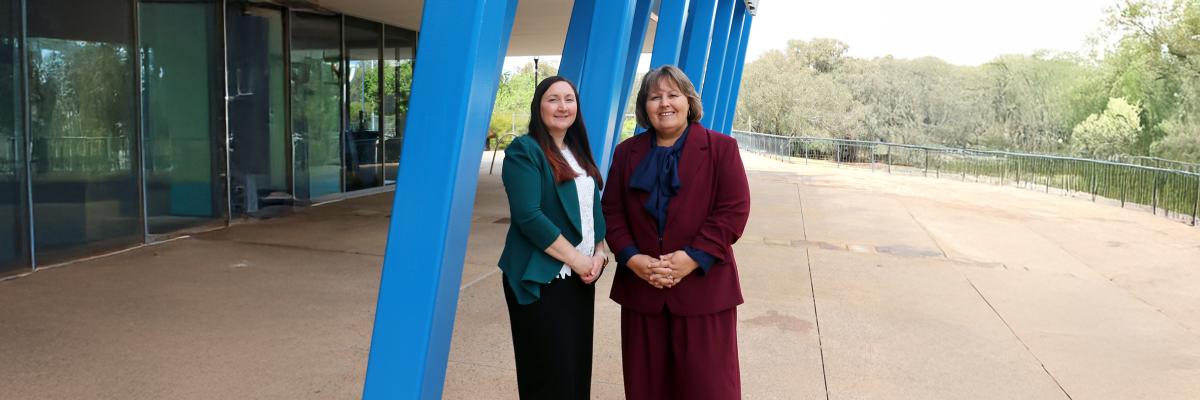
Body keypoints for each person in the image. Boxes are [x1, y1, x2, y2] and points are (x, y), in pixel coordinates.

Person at [601, 65, 751, 400]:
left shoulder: (721, 148)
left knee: (709, 388)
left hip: (704, 290)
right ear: (645, 106)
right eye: (655, 97)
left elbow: (733, 211)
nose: (664, 103)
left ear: (688, 101)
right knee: (646, 389)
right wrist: (632, 258)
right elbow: (611, 212)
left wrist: (691, 258)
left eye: (672, 95)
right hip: (642, 289)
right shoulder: (627, 153)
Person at [497, 75, 609, 399]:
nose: (563, 106)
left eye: (569, 99)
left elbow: (592, 211)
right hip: (540, 279)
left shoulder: (578, 152)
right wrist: (578, 260)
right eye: (553, 99)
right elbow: (529, 216)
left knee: (574, 372)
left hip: (579, 279)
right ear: (538, 107)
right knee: (548, 377)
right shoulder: (525, 151)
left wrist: (598, 256)